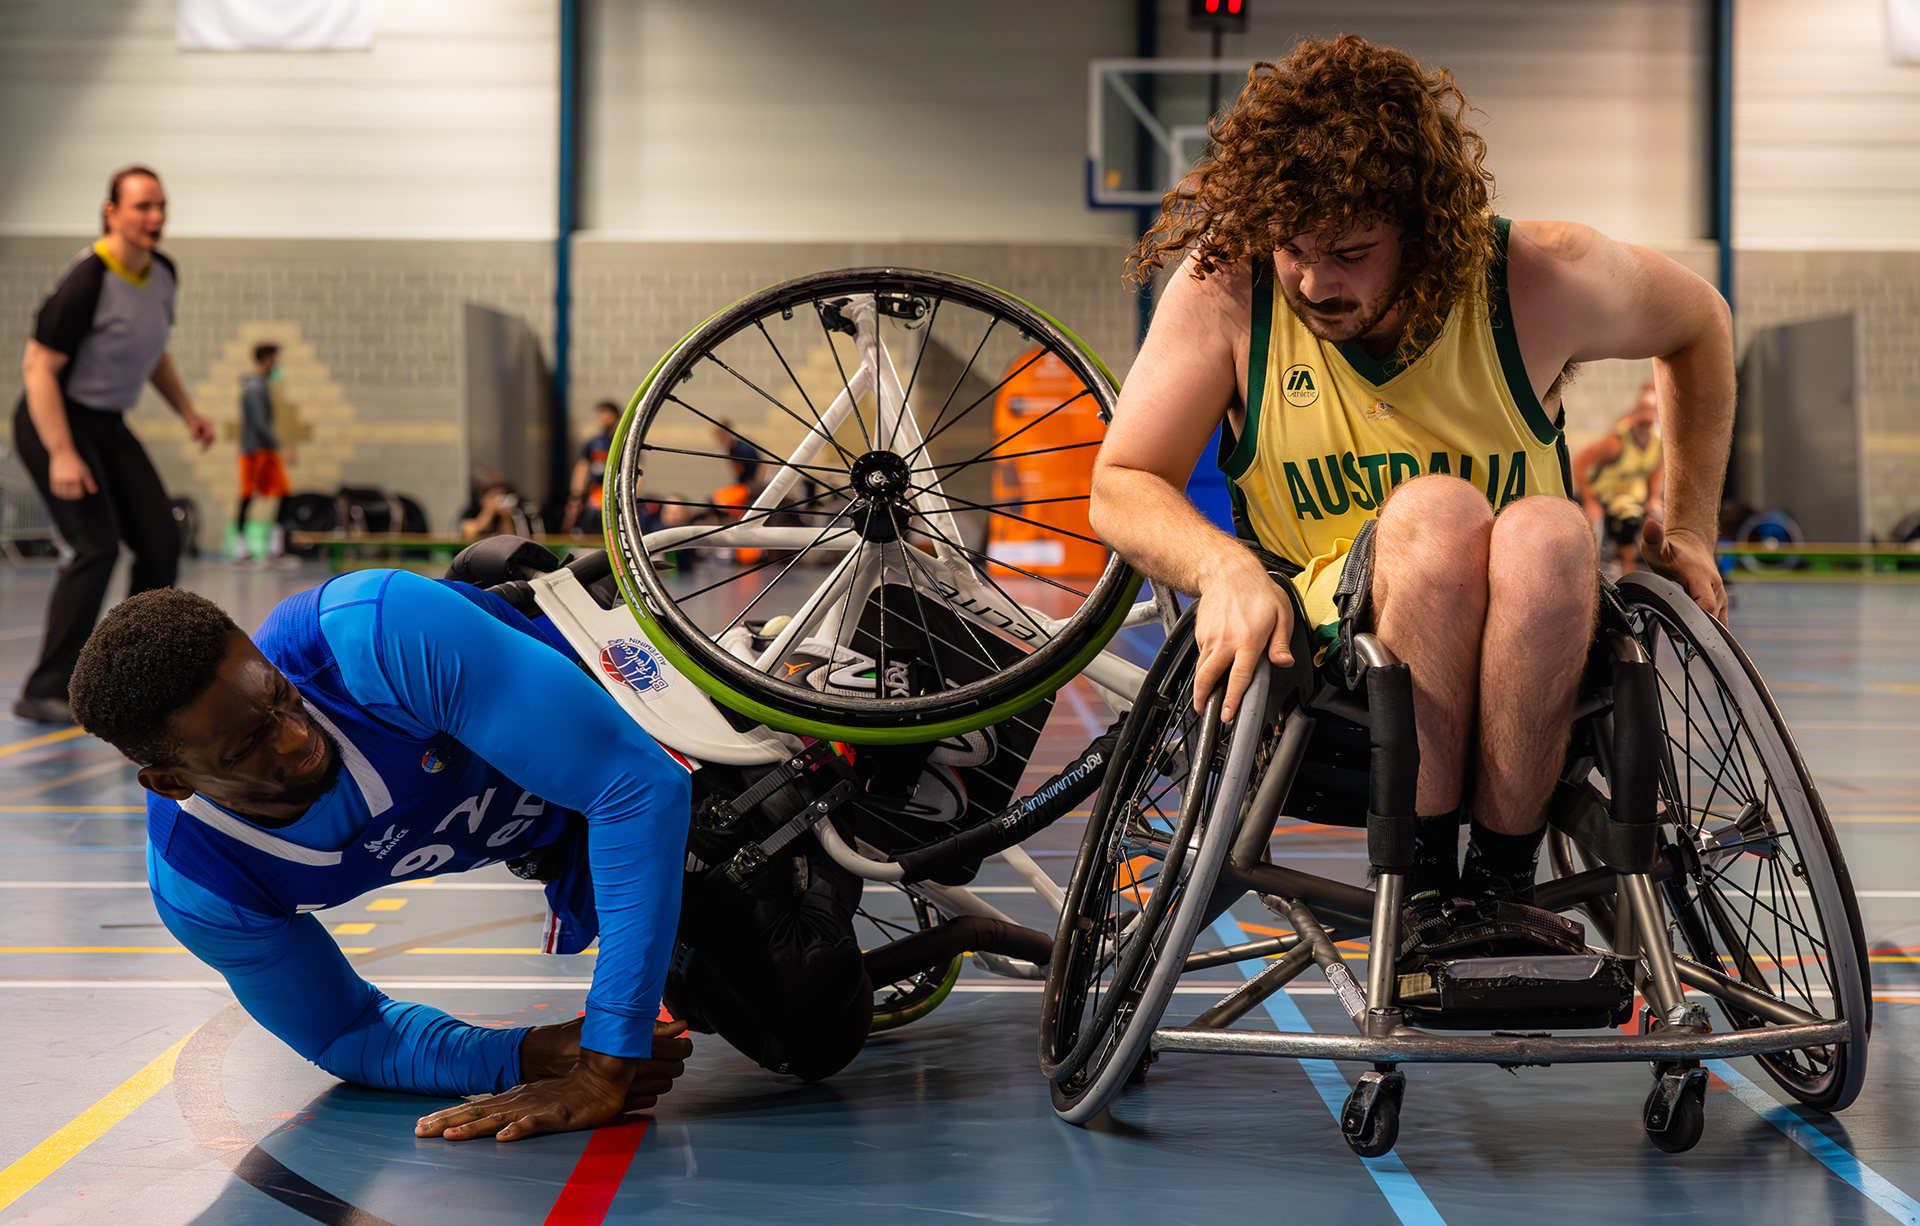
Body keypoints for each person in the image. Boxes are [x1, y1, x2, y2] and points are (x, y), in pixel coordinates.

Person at [1089, 36, 1729, 910]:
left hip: (1536, 657)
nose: (1315, 282)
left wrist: (1689, 526)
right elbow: (1120, 479)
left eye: (1351, 252)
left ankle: (1500, 886)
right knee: (1434, 515)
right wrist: (1225, 569)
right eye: (1294, 249)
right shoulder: (1228, 294)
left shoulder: (1533, 277)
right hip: (1331, 662)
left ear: (1421, 232)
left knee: (1548, 530)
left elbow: (1702, 324)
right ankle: (1427, 884)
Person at [67, 571, 694, 1141]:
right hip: (581, 835)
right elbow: (342, 1029)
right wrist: (520, 1055)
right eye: (248, 745)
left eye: (281, 694)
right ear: (174, 783)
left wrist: (606, 1061)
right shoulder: (204, 880)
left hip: (668, 714)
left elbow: (639, 789)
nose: (296, 736)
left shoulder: (371, 638)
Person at [12, 165, 215, 724]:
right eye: (141, 207)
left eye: (160, 207)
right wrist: (61, 452)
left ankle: (134, 675)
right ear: (112, 212)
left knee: (159, 541)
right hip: (52, 420)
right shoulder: (88, 279)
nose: (154, 218)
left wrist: (189, 412)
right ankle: (45, 687)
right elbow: (38, 367)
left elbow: (155, 353)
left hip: (106, 423)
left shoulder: (163, 273)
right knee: (94, 546)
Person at [1574, 380, 1664, 575]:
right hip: (1607, 496)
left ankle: (1658, 576)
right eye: (1645, 409)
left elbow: (1655, 467)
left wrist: (1653, 496)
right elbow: (1580, 463)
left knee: (1662, 518)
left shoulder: (1657, 441)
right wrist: (1590, 501)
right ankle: (1591, 575)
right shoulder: (1617, 441)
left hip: (1631, 498)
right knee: (1595, 528)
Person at [233, 342, 291, 562]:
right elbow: (259, 423)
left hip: (264, 451)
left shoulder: (260, 386)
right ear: (266, 359)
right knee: (247, 497)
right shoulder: (255, 388)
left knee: (284, 494)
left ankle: (275, 549)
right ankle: (241, 550)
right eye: (275, 359)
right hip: (254, 452)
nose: (277, 364)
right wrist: (281, 447)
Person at [562, 400, 621, 535]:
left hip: (616, 494)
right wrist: (576, 495)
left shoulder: (622, 442)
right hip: (596, 495)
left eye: (607, 417)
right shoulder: (594, 443)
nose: (603, 420)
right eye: (601, 417)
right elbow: (582, 468)